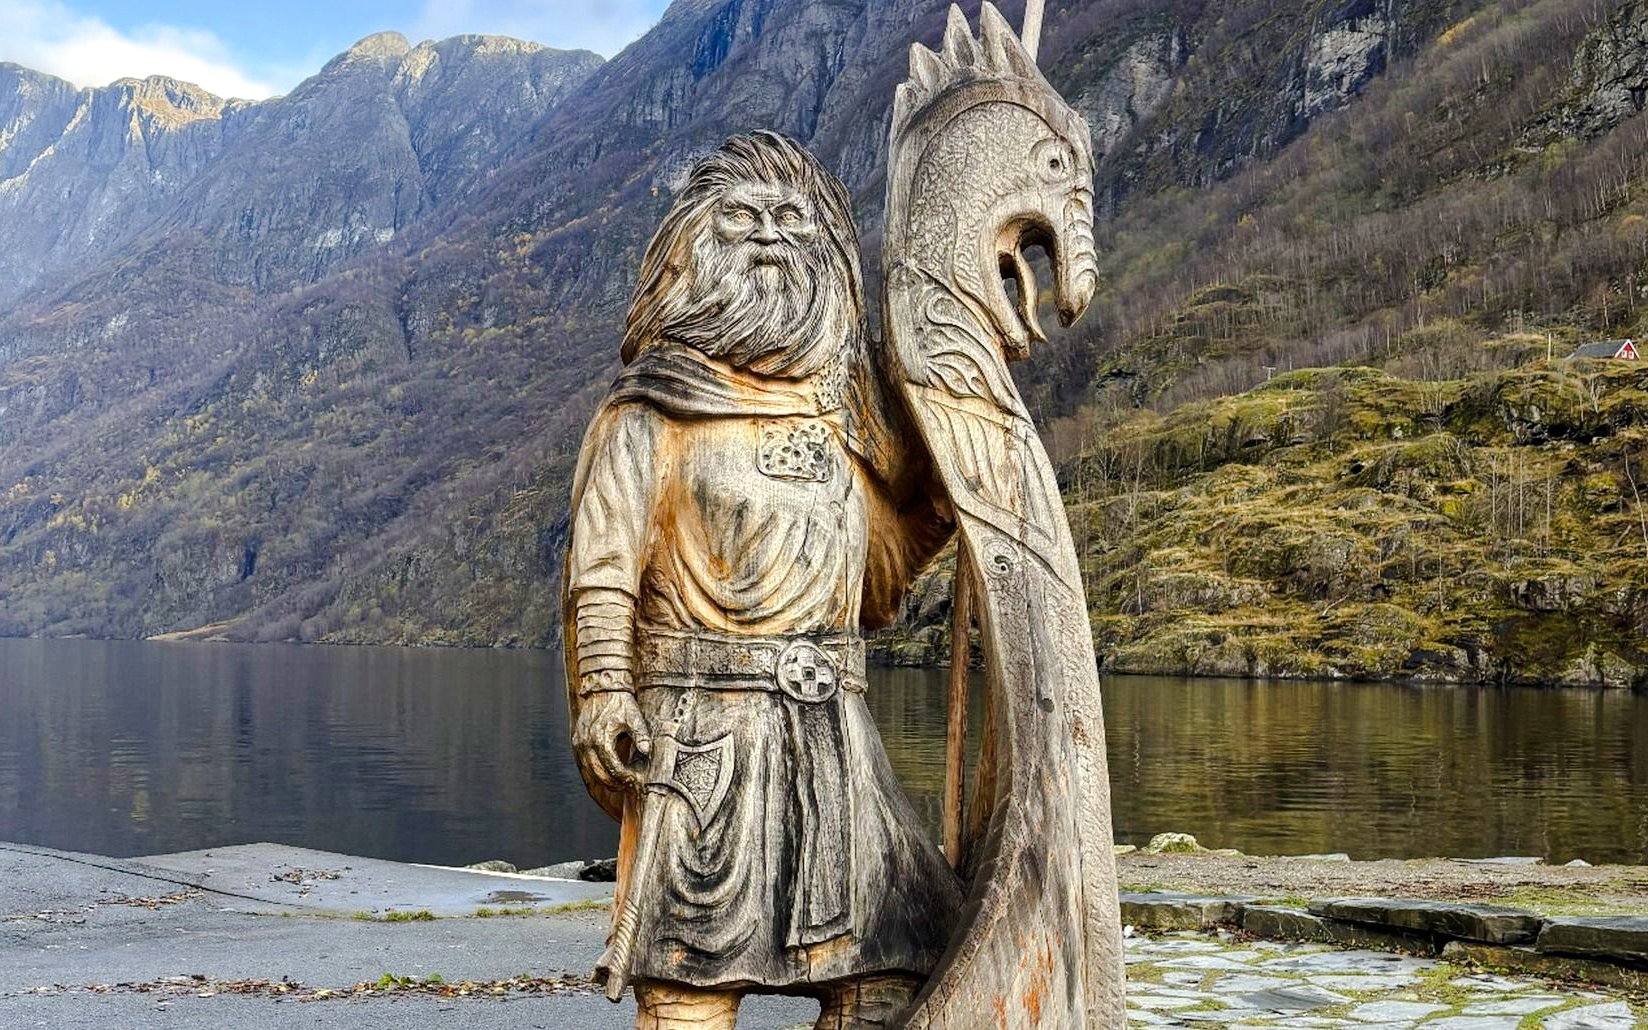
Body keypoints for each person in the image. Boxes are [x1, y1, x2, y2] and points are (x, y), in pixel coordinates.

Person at [563, 131, 961, 1030]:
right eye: (742, 219)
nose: (771, 236)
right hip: (702, 733)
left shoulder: (843, 419)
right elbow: (603, 570)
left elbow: (876, 578)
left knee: (890, 970)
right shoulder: (654, 411)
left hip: (833, 741)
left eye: (792, 219)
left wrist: (948, 493)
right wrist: (601, 690)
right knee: (691, 984)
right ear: (691, 246)